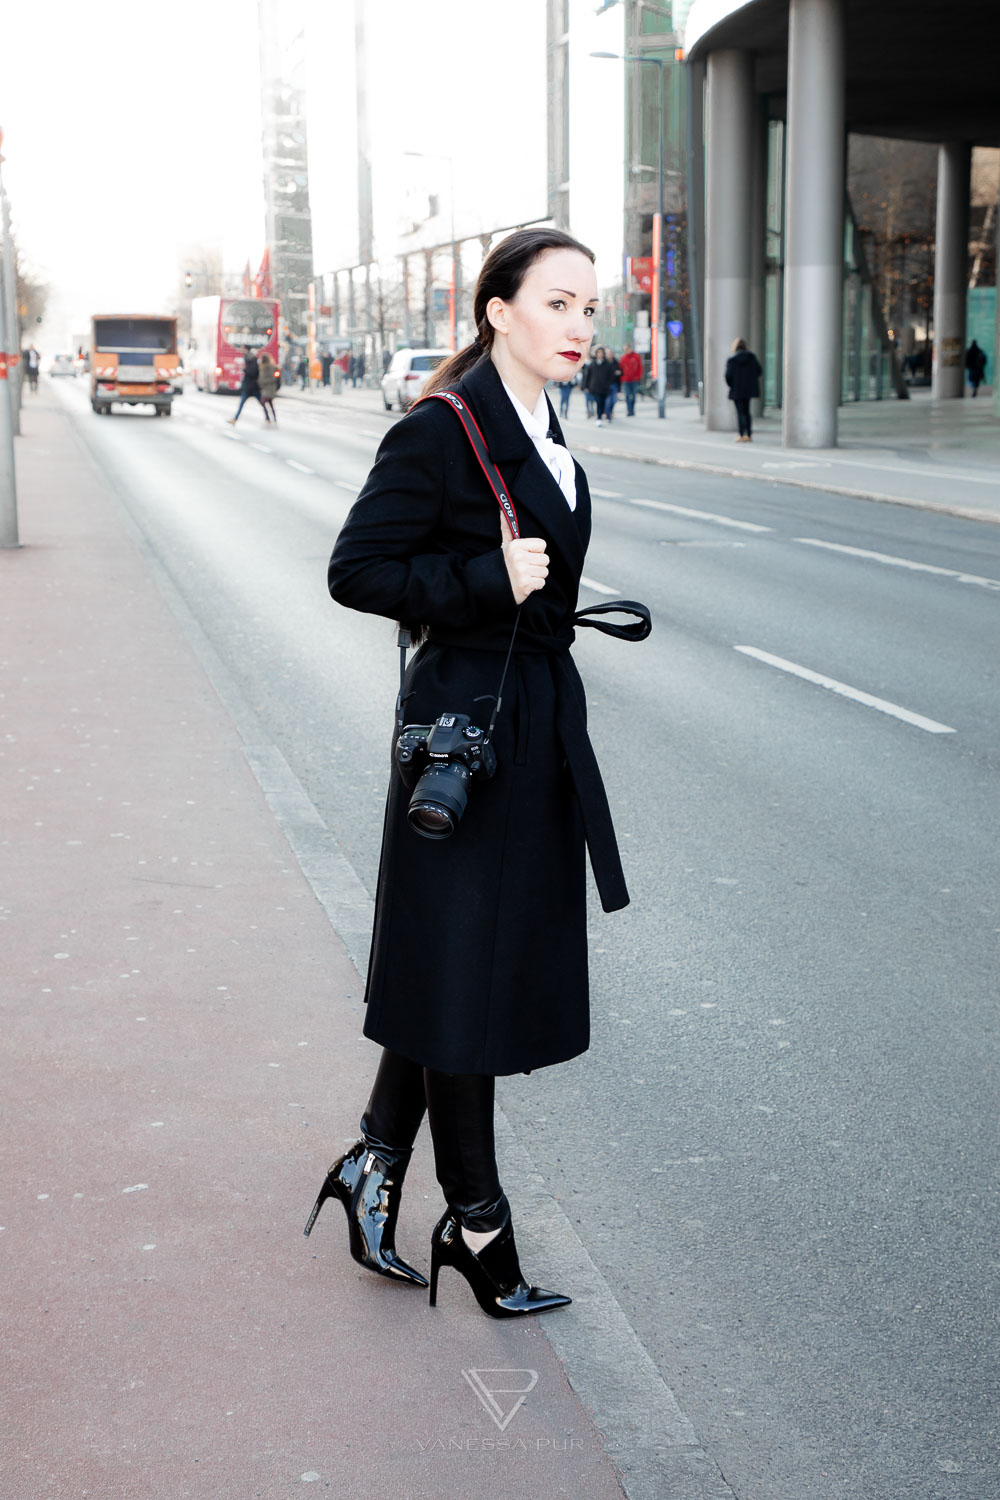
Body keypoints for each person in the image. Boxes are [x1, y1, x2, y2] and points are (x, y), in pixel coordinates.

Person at [308, 227, 648, 1321]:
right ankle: (479, 1225)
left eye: (591, 308)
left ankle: (373, 1162)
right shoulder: (441, 434)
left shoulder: (552, 438)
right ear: (498, 311)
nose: (581, 327)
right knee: (464, 976)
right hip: (461, 740)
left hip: (530, 731)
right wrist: (480, 574)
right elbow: (355, 571)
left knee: (462, 965)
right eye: (559, 304)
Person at [724, 337, 762, 441]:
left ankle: (741, 434)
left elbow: (728, 376)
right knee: (747, 412)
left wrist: (732, 384)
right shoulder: (752, 357)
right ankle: (749, 435)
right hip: (748, 389)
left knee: (740, 412)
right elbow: (759, 371)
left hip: (737, 390)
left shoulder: (732, 359)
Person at [226, 348, 263, 425]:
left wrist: (245, 370)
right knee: (242, 404)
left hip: (252, 388)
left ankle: (269, 419)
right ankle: (235, 419)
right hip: (251, 388)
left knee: (262, 403)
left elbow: (253, 373)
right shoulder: (253, 362)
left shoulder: (252, 364)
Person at [586, 346, 615, 426]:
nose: (600, 354)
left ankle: (603, 415)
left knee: (603, 403)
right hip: (594, 387)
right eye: (598, 353)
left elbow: (611, 376)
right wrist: (586, 386)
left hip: (604, 388)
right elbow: (588, 375)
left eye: (601, 353)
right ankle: (599, 418)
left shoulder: (607, 365)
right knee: (598, 402)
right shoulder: (592, 364)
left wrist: (607, 384)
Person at [619, 344, 642, 416]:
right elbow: (620, 368)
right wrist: (622, 378)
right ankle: (629, 410)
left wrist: (638, 377)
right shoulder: (623, 358)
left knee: (633, 395)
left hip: (634, 380)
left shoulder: (636, 357)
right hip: (626, 380)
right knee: (627, 395)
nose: (626, 350)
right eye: (625, 349)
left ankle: (632, 410)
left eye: (627, 349)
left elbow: (640, 367)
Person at [258, 350, 279, 424]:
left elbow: (273, 378)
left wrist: (263, 382)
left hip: (269, 388)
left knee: (263, 402)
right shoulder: (262, 367)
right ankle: (271, 418)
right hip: (265, 388)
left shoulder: (270, 367)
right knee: (270, 403)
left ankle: (269, 418)